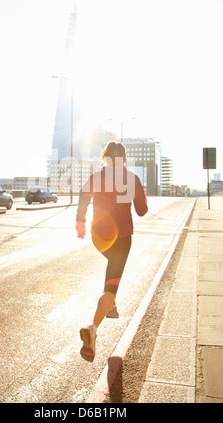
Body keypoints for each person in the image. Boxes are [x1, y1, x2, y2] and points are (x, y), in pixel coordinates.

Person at [76, 141, 148, 362]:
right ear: (124, 159)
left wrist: (80, 223)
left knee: (111, 270)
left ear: (105, 158)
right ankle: (92, 326)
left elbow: (83, 198)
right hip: (122, 238)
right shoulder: (132, 179)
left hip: (99, 236)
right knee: (111, 284)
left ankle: (112, 304)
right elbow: (142, 211)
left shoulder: (97, 177)